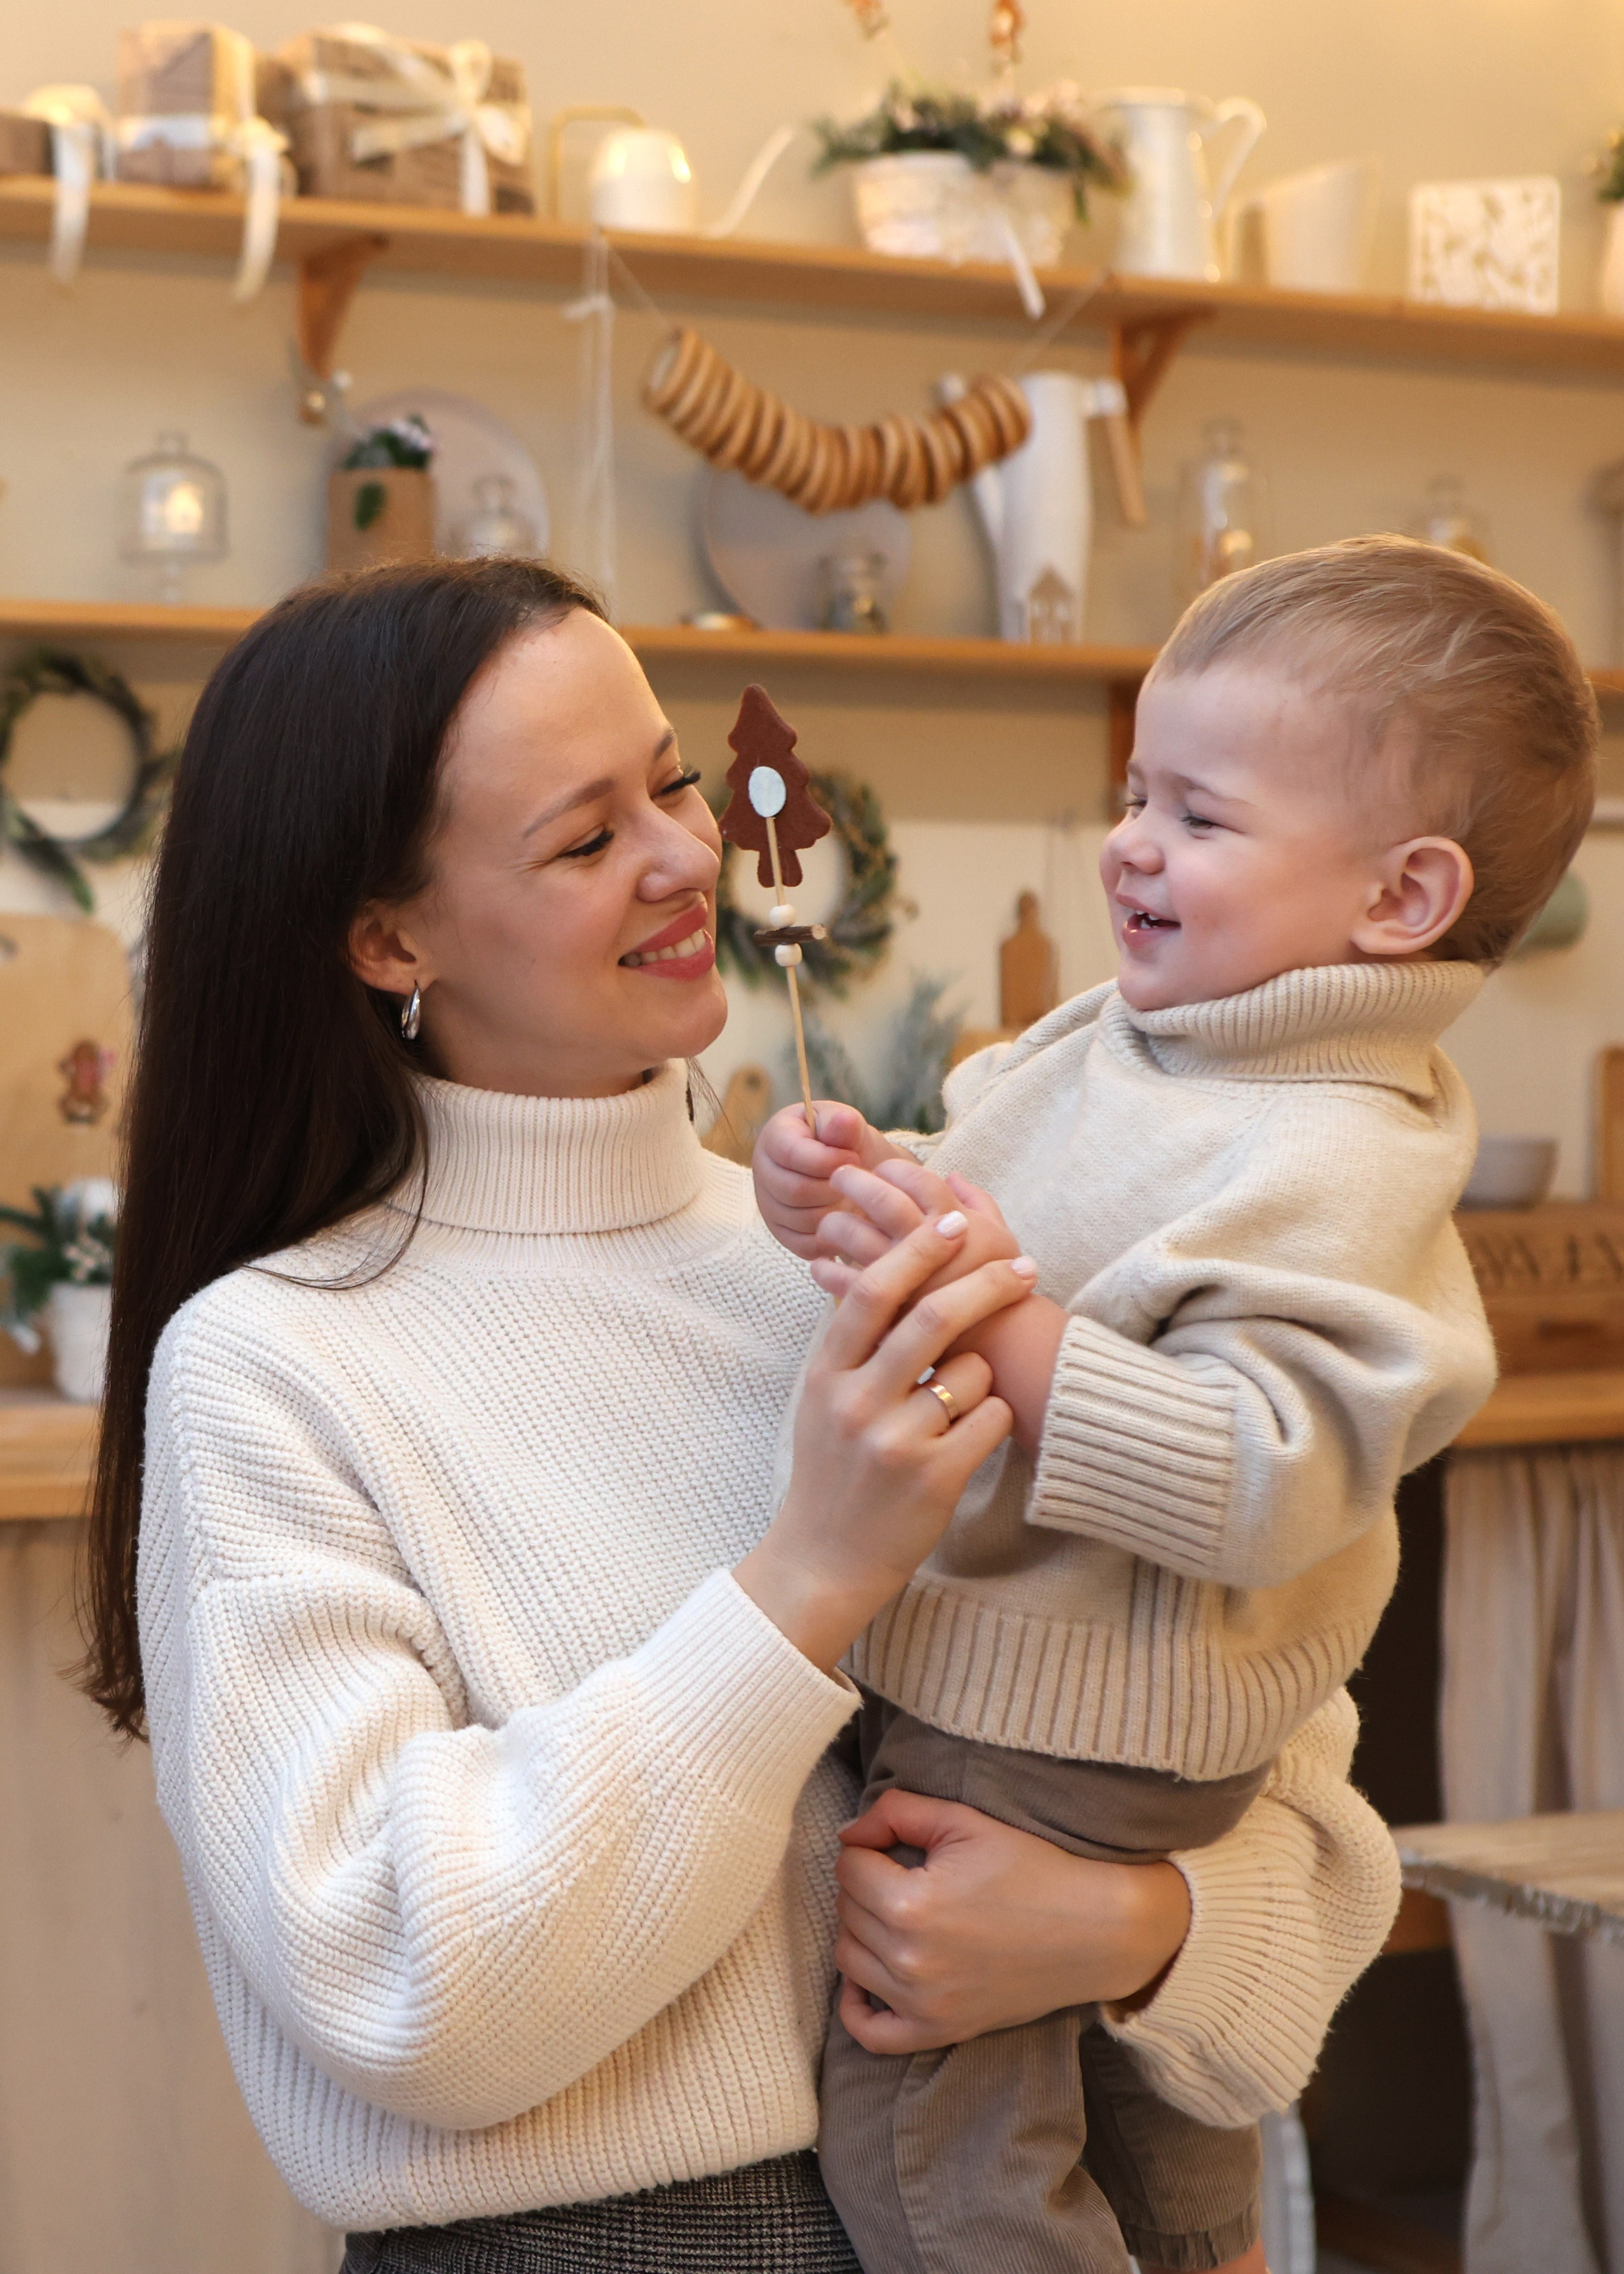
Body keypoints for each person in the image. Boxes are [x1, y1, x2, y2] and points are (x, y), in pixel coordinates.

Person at [84, 558, 1402, 2274]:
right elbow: (397, 1982)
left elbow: (1288, 1773)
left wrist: (1138, 1932)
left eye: (677, 781)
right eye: (582, 839)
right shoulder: (277, 1368)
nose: (690, 857)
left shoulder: (901, 1249)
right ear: (389, 937)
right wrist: (808, 1582)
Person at [755, 537, 1597, 2274]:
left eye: (1200, 817)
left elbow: (1260, 1471)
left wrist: (991, 1317)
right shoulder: (1133, 1036)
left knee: (933, 2146)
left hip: (1074, 1731)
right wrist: (857, 1187)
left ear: (1404, 900)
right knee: (1166, 2159)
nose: (1131, 842)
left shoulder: (1343, 1147)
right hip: (1031, 1697)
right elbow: (988, 1188)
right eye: (1136, 791)